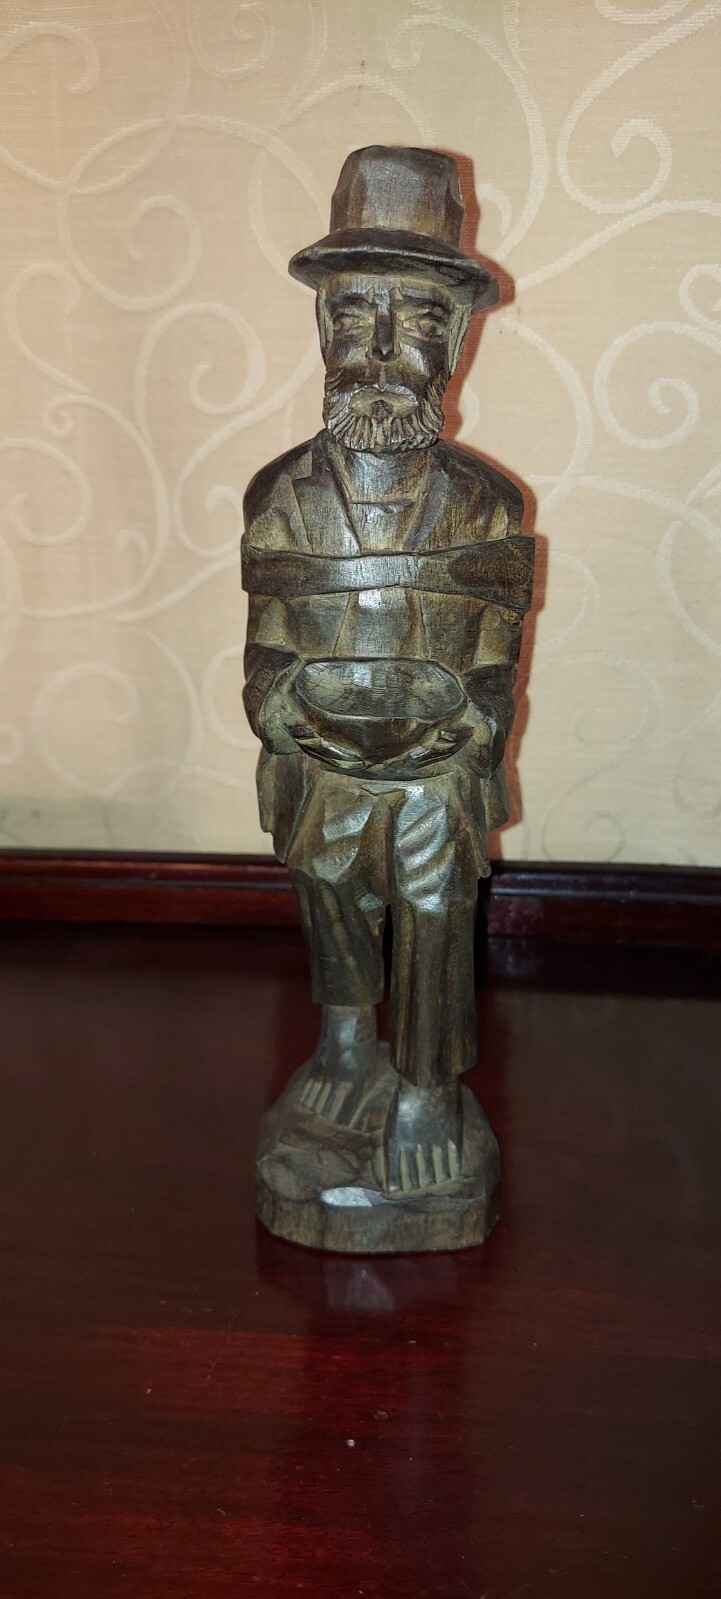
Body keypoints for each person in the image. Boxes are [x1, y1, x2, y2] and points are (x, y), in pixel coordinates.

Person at [242, 146, 533, 1193]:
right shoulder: (281, 495)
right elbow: (267, 637)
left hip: (434, 766)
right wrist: (279, 705)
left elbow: (495, 650)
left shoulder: (486, 505)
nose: (375, 349)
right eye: (350, 313)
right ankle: (343, 1040)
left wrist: (472, 721)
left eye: (412, 318)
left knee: (434, 900)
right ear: (321, 328)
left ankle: (424, 1084)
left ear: (453, 338)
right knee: (325, 882)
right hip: (321, 753)